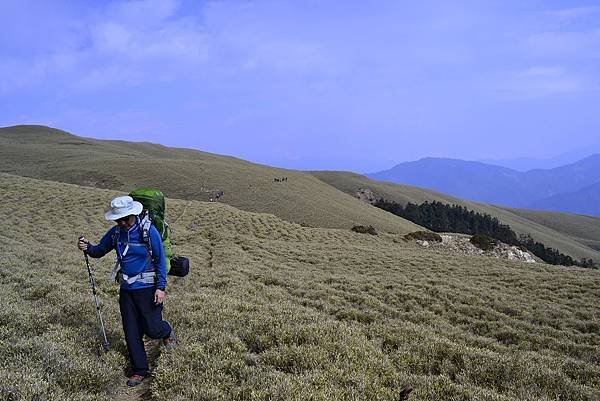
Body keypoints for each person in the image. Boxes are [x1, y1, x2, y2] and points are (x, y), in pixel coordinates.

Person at [78, 195, 176, 387]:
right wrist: (87, 247)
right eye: (118, 219)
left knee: (152, 328)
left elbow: (160, 261)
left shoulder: (149, 231)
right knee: (131, 331)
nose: (122, 222)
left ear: (134, 214)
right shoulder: (115, 233)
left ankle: (166, 332)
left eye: (126, 218)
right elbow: (99, 251)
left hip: (148, 288)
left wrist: (161, 287)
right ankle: (140, 370)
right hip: (127, 290)